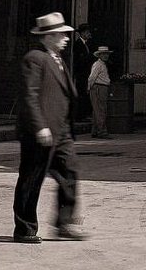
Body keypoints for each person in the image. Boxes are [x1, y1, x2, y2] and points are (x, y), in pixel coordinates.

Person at [13, 12, 87, 243]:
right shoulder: (35, 58)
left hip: (62, 132)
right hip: (41, 133)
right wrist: (40, 126)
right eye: (61, 35)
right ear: (48, 37)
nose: (66, 38)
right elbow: (30, 96)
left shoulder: (58, 60)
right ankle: (25, 229)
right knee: (31, 179)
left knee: (70, 173)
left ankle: (65, 223)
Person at [71, 23, 95, 122]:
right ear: (82, 33)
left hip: (87, 73)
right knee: (81, 94)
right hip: (81, 73)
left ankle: (84, 114)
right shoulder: (78, 44)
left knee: (85, 94)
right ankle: (79, 116)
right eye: (87, 32)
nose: (89, 34)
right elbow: (80, 60)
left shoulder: (87, 44)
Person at [87, 46, 113, 139]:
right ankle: (101, 131)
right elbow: (92, 77)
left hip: (101, 87)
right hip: (98, 87)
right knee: (100, 110)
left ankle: (95, 131)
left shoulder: (101, 64)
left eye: (107, 54)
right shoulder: (98, 65)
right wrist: (89, 87)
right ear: (100, 55)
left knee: (97, 110)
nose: (106, 56)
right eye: (104, 54)